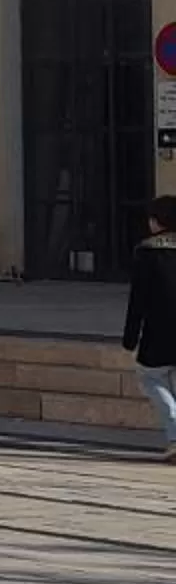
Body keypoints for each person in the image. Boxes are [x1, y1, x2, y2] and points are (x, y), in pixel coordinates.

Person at [127, 196, 176, 459]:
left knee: (152, 378)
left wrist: (130, 337)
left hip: (159, 333)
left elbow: (139, 299)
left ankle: (175, 435)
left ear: (157, 221)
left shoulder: (147, 251)